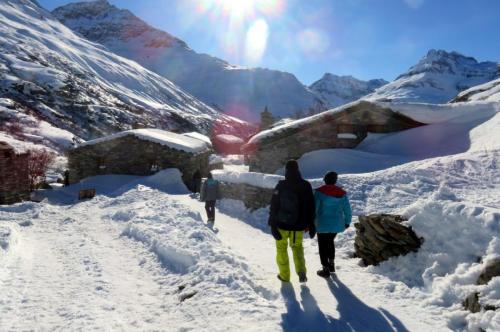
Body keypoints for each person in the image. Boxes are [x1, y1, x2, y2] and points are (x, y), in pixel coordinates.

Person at [269, 160, 316, 283]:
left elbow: (274, 205)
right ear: (298, 169)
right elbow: (311, 206)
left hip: (282, 225)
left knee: (281, 249)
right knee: (297, 248)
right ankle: (301, 272)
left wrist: (273, 224)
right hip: (298, 226)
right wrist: (311, 224)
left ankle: (284, 276)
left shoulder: (281, 185)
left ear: (286, 170)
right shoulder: (306, 185)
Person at [314, 171, 352, 278]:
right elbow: (347, 210)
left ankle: (325, 269)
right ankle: (331, 264)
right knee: (330, 242)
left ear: (325, 180)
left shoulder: (319, 192)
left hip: (322, 223)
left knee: (322, 245)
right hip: (336, 224)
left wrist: (310, 222)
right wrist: (347, 222)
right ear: (335, 181)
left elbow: (314, 209)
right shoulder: (342, 193)